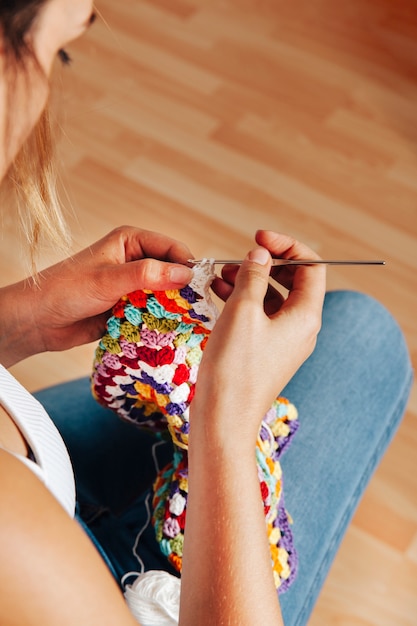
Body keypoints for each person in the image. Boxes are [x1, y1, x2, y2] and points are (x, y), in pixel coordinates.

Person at [0, 2, 412, 625]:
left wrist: (16, 321)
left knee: (352, 327)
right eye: (55, 51)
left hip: (38, 495)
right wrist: (227, 424)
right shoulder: (13, 537)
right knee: (363, 334)